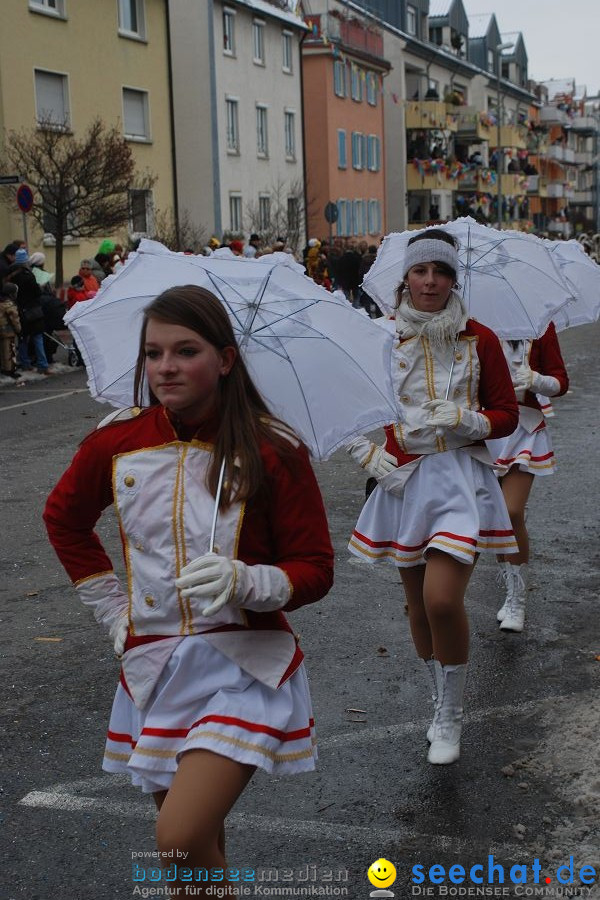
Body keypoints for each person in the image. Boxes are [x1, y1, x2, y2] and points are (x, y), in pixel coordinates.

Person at [44, 285, 333, 893]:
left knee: (177, 836)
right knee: (193, 855)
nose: (165, 367)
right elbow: (63, 520)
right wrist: (111, 608)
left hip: (243, 669)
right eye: (153, 353)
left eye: (185, 351)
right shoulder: (116, 441)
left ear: (225, 360)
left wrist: (247, 580)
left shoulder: (271, 448)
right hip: (153, 668)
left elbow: (315, 566)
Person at [346, 230, 519, 765]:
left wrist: (470, 419)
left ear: (453, 280)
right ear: (406, 278)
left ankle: (450, 717)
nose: (430, 282)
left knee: (443, 599)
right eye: (421, 272)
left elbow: (507, 414)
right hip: (403, 481)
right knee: (418, 604)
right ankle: (438, 697)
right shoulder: (378, 338)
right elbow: (349, 408)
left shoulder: (480, 338)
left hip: (460, 479)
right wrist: (363, 452)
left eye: (441, 273)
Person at [486, 325, 569, 633]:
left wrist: (536, 380)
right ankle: (507, 585)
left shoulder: (540, 326)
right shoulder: (473, 324)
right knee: (495, 516)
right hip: (485, 428)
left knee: (511, 511)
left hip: (524, 428)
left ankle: (516, 598)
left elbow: (560, 382)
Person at [7, 248, 51, 375]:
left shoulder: (10, 275)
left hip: (18, 309)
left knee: (22, 338)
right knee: (37, 337)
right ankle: (42, 365)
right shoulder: (29, 275)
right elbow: (37, 293)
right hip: (33, 310)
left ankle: (25, 363)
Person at [0, 281, 22, 379]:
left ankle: (4, 368)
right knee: (10, 350)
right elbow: (15, 320)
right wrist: (19, 330)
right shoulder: (10, 305)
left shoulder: (1, 303)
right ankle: (10, 370)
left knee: (3, 350)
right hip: (8, 330)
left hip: (1, 329)